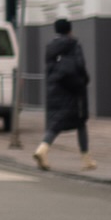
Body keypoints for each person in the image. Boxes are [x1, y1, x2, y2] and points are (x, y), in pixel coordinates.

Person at [35, 17, 95, 172]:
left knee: (55, 124)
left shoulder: (50, 47)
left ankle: (42, 149)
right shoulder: (73, 44)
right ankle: (86, 159)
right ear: (69, 30)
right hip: (72, 90)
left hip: (54, 90)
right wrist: (85, 80)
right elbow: (80, 66)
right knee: (81, 122)